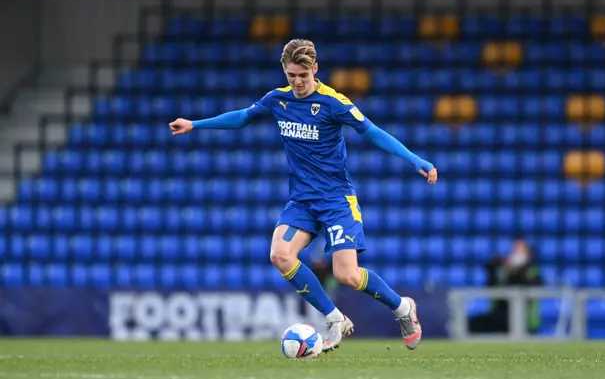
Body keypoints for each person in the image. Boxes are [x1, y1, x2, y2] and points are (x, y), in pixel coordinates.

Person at [169, 39, 438, 352]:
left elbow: (373, 132)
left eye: (303, 75)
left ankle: (403, 308)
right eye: (291, 75)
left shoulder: (333, 102)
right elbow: (242, 117)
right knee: (280, 255)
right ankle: (335, 318)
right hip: (302, 201)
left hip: (337, 200)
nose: (297, 82)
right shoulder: (277, 100)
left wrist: (415, 159)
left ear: (316, 70)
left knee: (347, 275)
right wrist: (194, 125)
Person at [468, 239, 543, 334]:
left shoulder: (533, 271)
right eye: (515, 250)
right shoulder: (504, 271)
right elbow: (493, 289)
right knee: (470, 324)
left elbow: (528, 290)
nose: (516, 254)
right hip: (500, 316)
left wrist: (517, 272)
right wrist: (491, 270)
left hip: (525, 319)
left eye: (520, 251)